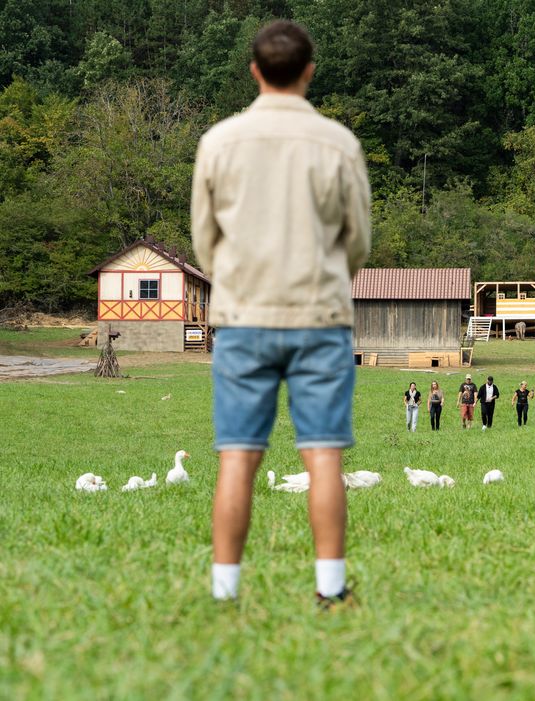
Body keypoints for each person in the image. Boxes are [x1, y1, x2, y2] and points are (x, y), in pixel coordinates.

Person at [192, 20, 370, 607]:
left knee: (238, 457)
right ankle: (330, 589)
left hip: (243, 317)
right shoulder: (339, 143)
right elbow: (358, 240)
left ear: (254, 70)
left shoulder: (219, 142)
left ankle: (225, 593)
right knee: (323, 456)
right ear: (310, 70)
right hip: (319, 315)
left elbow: (204, 240)